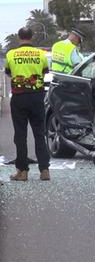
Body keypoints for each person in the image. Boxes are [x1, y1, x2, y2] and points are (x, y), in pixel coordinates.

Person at [5, 27, 50, 181]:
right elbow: (44, 72)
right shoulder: (40, 54)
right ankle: (44, 170)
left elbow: (9, 72)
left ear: (19, 37)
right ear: (32, 37)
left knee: (20, 136)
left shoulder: (11, 54)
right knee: (40, 134)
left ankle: (22, 171)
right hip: (37, 97)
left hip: (19, 97)